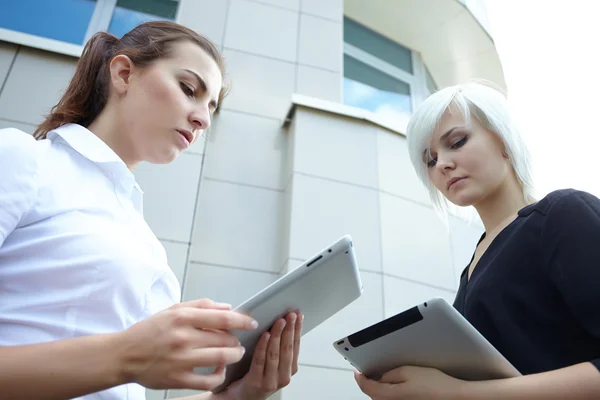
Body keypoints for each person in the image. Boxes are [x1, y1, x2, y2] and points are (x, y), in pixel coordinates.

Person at [0, 21, 302, 400]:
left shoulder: (147, 245)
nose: (204, 119)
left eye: (211, 108)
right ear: (124, 74)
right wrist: (125, 356)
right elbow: (124, 361)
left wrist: (239, 394)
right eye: (189, 89)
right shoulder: (23, 159)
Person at [354, 81, 600, 399]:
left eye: (457, 142)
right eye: (430, 160)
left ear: (504, 140)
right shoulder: (471, 269)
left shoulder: (562, 215)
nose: (442, 163)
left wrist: (458, 393)